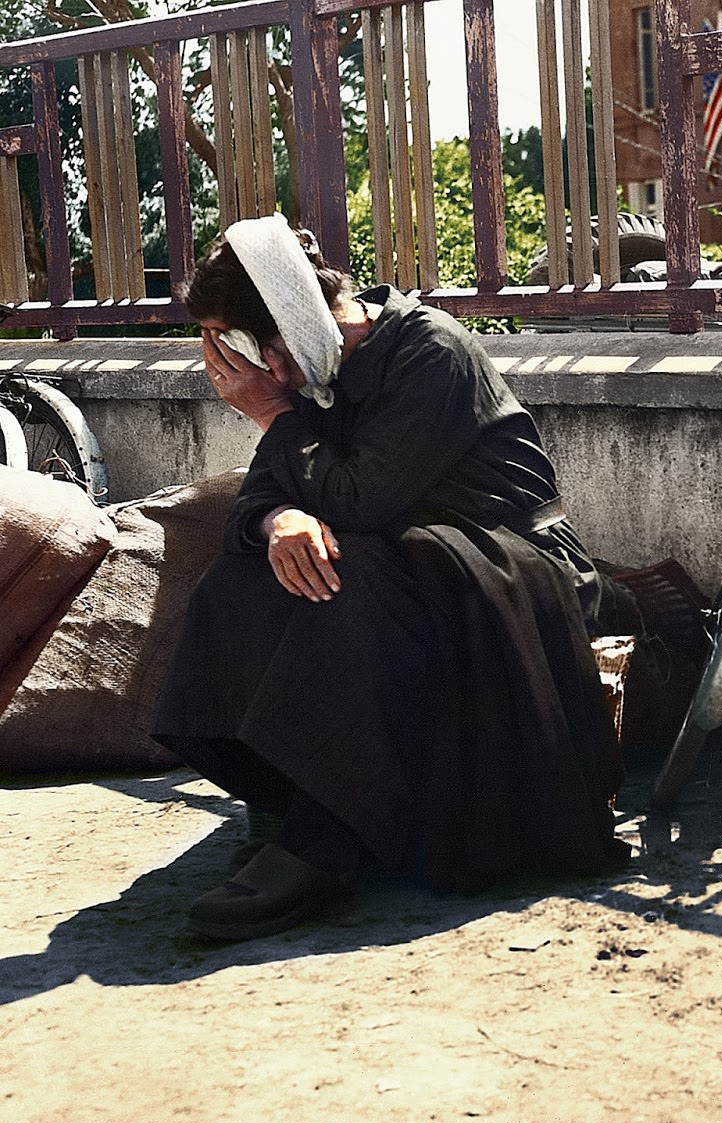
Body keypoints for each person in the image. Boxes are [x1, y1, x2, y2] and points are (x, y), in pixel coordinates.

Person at [152, 214, 638, 940]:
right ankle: (286, 796)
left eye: (253, 350)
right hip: (417, 558)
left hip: (511, 570)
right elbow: (259, 504)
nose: (257, 373)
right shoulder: (318, 370)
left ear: (290, 324)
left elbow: (358, 501)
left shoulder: (429, 351)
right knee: (247, 575)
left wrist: (274, 416)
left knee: (350, 575)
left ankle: (325, 840)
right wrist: (277, 520)